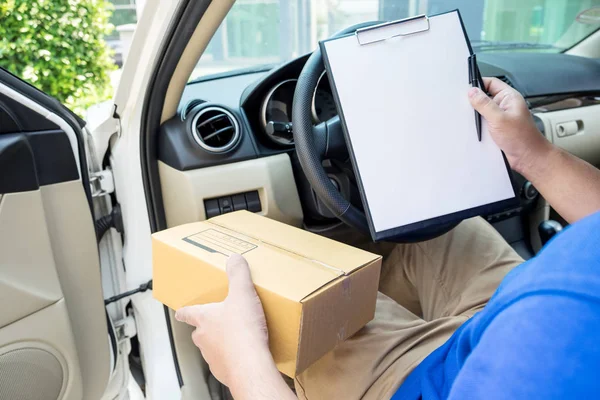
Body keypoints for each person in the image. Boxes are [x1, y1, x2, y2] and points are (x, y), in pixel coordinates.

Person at [175, 77, 600, 400]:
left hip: (437, 384)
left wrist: (244, 365)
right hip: (499, 325)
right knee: (442, 229)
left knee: (294, 307)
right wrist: (534, 155)